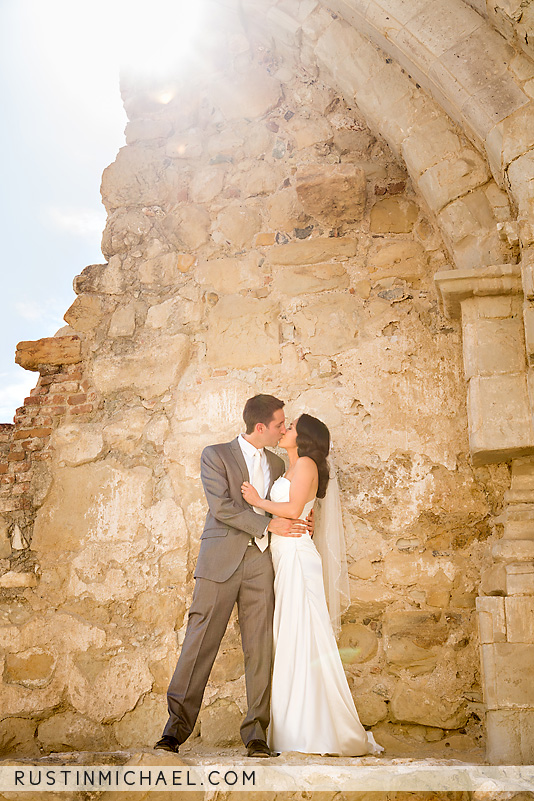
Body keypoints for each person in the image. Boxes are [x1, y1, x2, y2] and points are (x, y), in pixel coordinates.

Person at [155, 394, 308, 758]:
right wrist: (269, 523)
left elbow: (289, 501)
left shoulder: (276, 461)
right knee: (199, 642)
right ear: (260, 427)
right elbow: (221, 506)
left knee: (261, 648)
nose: (283, 429)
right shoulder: (215, 454)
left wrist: (299, 517)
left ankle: (256, 734)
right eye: (279, 425)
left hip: (261, 562)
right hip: (219, 560)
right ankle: (174, 732)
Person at [241, 413, 383, 756]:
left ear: (303, 438)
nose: (285, 430)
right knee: (290, 635)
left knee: (304, 635)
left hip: (296, 556)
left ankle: (316, 729)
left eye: (291, 427)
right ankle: (294, 727)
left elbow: (292, 508)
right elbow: (299, 507)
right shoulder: (289, 468)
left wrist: (257, 502)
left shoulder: (305, 464)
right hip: (284, 554)